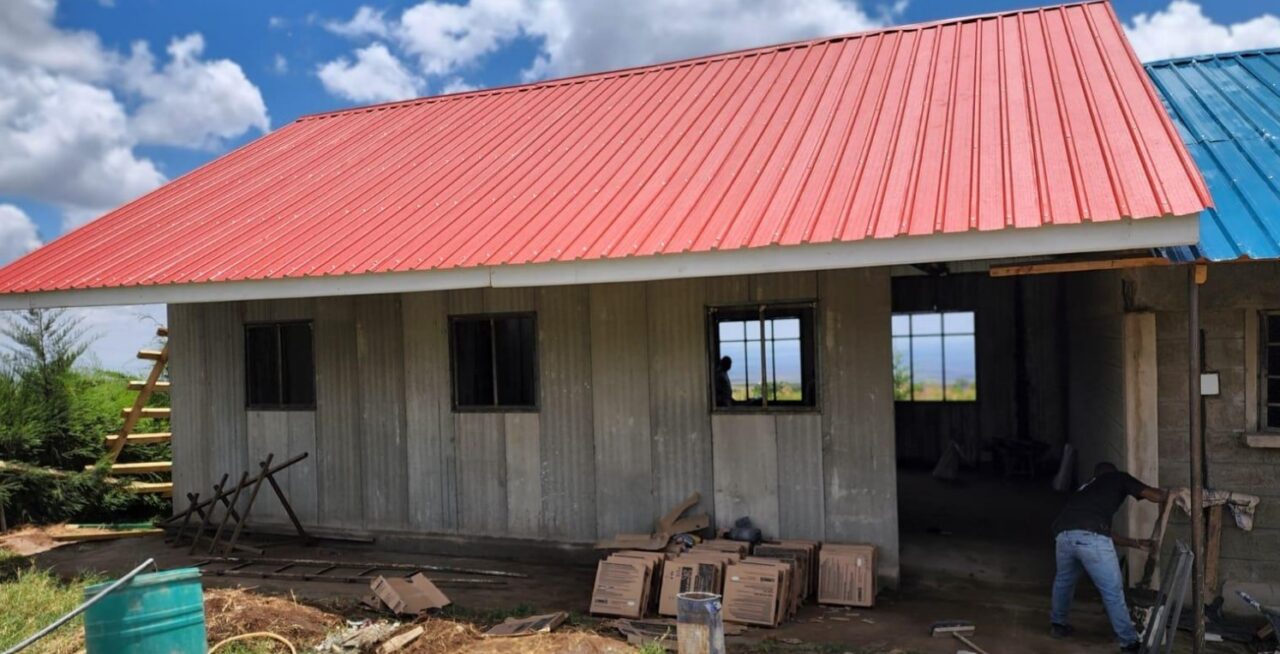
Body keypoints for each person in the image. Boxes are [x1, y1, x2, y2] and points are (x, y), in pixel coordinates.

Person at [1050, 461, 1168, 651]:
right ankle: (1129, 642)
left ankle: (1058, 625)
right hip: (1091, 537)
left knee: (1064, 581)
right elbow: (1154, 495)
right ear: (1111, 472)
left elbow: (1099, 531)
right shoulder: (1118, 477)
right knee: (1112, 592)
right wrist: (1172, 493)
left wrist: (1135, 543)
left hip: (1064, 536)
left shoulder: (1084, 488)